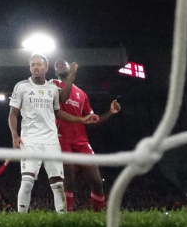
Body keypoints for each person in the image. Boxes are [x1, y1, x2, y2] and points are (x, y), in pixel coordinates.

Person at [8, 53, 98, 213]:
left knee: (57, 183)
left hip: (51, 140)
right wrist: (15, 135)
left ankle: (62, 219)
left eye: (39, 64)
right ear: (30, 68)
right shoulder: (21, 86)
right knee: (27, 181)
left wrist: (81, 120)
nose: (35, 67)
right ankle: (20, 219)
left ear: (46, 67)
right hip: (30, 140)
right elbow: (13, 113)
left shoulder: (52, 89)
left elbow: (58, 110)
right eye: (32, 65)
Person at [51, 58, 120, 211]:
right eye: (57, 65)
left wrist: (110, 113)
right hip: (62, 138)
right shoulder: (53, 85)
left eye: (63, 63)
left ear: (69, 67)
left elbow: (92, 120)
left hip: (81, 141)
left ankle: (98, 214)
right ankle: (66, 214)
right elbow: (63, 97)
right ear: (56, 72)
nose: (59, 65)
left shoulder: (82, 94)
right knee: (68, 175)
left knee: (97, 181)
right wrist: (72, 75)